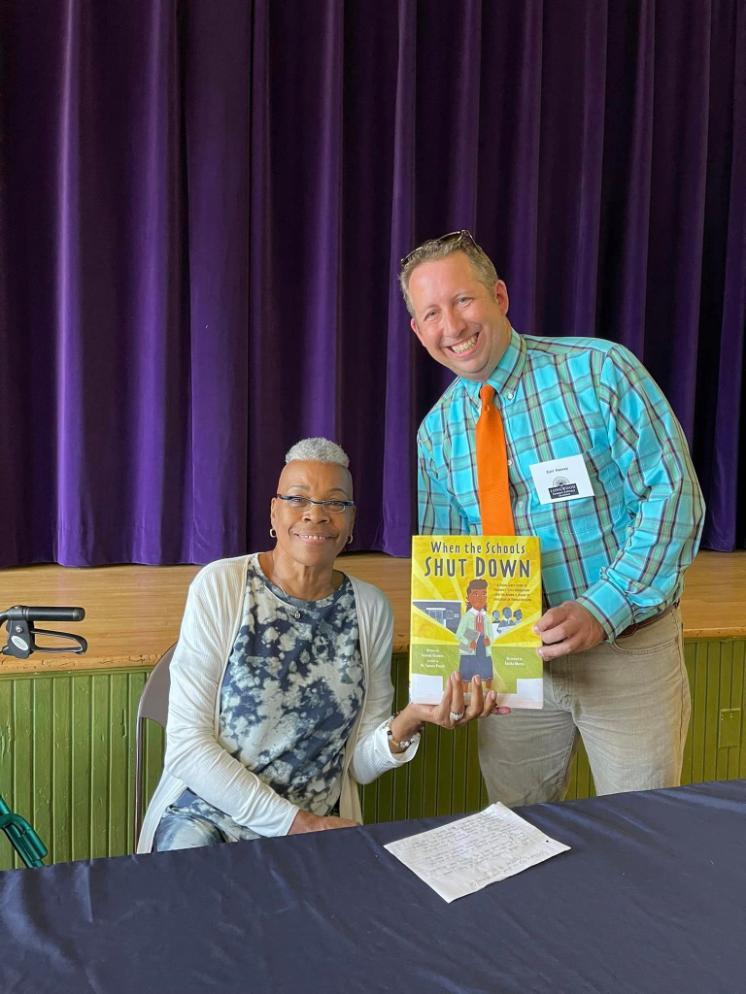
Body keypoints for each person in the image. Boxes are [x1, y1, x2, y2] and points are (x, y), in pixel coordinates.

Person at [399, 230, 705, 806]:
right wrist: (461, 669)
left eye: (464, 300)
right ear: (418, 331)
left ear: (500, 296)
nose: (453, 326)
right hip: (513, 672)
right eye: (431, 313)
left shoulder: (600, 372)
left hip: (627, 653)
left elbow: (674, 500)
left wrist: (602, 608)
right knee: (518, 836)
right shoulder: (436, 434)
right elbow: (453, 563)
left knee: (642, 832)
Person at [138, 437, 503, 853]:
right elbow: (188, 749)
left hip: (316, 826)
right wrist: (296, 824)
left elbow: (359, 767)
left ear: (351, 523)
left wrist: (411, 718)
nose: (316, 514)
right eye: (298, 499)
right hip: (209, 816)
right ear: (274, 512)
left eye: (335, 503)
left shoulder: (369, 608)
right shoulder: (222, 585)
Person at [456, 578, 495, 690]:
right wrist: (469, 642)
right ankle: (464, 694)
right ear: (468, 597)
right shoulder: (467, 617)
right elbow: (459, 634)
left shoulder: (487, 617)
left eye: (483, 594)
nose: (480, 597)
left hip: (483, 647)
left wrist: (489, 640)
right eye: (475, 594)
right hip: (469, 649)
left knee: (487, 673)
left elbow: (491, 634)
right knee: (466, 675)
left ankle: (488, 692)